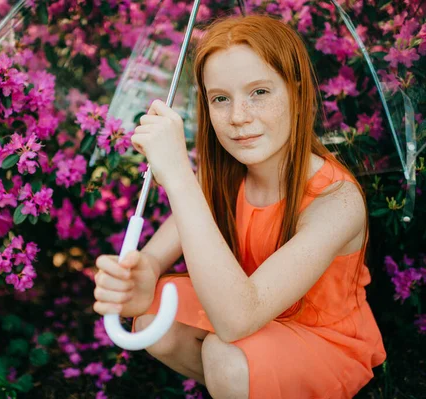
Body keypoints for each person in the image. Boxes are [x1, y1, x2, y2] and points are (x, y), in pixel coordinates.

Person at [92, 14, 386, 399]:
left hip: (325, 341)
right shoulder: (227, 177)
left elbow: (237, 320)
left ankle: (246, 381)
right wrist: (139, 276)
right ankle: (250, 385)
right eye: (220, 99)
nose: (238, 117)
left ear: (296, 92)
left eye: (260, 92)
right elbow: (151, 262)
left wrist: (179, 177)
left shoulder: (337, 201)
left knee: (226, 355)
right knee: (156, 315)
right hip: (254, 321)